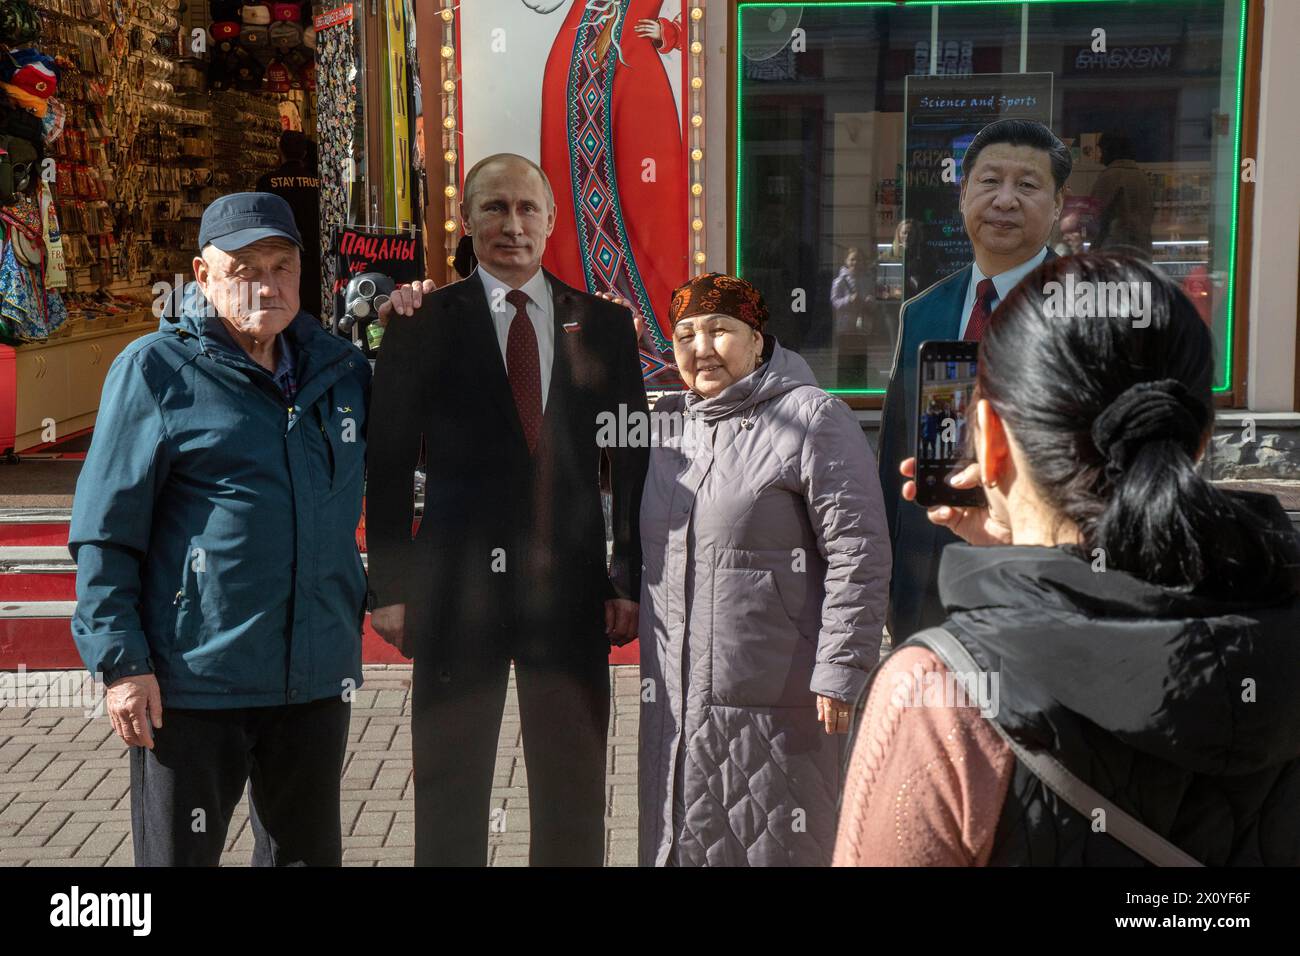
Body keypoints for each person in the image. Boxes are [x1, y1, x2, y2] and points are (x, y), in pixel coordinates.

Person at [834, 254, 1300, 866]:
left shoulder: (938, 694)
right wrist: (1037, 562)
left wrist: (1035, 570)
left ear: (991, 438)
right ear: (1201, 437)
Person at [68, 193, 371, 866]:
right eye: (243, 268)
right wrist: (122, 664)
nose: (266, 283)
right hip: (192, 684)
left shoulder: (341, 371)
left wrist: (422, 323)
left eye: (281, 264)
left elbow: (432, 434)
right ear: (202, 278)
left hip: (315, 680)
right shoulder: (156, 372)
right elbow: (104, 532)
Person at [365, 152, 649, 866]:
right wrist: (390, 588)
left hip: (573, 590)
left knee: (574, 784)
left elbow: (635, 466)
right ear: (467, 220)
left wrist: (626, 577)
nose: (512, 225)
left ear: (553, 220)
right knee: (450, 782)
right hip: (456, 590)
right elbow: (390, 464)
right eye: (494, 207)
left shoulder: (607, 328)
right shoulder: (421, 321)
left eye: (527, 208)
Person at [638, 272, 890, 867]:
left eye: (721, 331)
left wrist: (841, 666)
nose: (701, 349)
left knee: (778, 837)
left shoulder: (812, 418)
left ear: (757, 339)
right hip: (676, 695)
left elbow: (859, 549)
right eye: (685, 335)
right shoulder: (667, 425)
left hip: (779, 692)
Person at [877, 119, 1066, 642]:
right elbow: (898, 446)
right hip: (926, 575)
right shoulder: (923, 311)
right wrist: (888, 579)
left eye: (1027, 185)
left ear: (1056, 205)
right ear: (963, 195)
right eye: (989, 182)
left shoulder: (1089, 310)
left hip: (1037, 574)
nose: (1005, 200)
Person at [257, 130, 322, 319]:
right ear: (304, 153)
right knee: (311, 314)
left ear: (280, 151)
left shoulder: (267, 182)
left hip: (278, 258)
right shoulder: (318, 183)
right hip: (312, 259)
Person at [1091, 132, 1152, 259]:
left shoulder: (1110, 176)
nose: (1100, 156)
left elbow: (1097, 216)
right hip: (1141, 251)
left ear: (1109, 151)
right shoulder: (1142, 177)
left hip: (1114, 251)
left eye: (1102, 151)